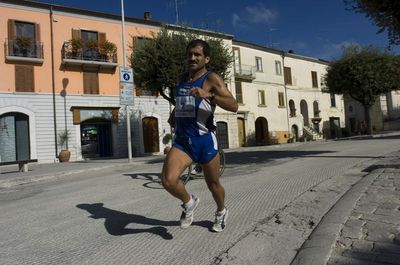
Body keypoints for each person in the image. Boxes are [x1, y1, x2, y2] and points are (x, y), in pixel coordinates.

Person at [161, 39, 238, 232]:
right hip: (183, 142)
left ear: (206, 58)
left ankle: (221, 211)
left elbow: (234, 105)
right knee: (168, 180)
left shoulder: (211, 79)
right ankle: (189, 202)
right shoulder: (182, 79)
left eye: (197, 54)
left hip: (204, 141)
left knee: (213, 184)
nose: (192, 58)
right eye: (190, 54)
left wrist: (209, 95)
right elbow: (182, 101)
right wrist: (174, 116)